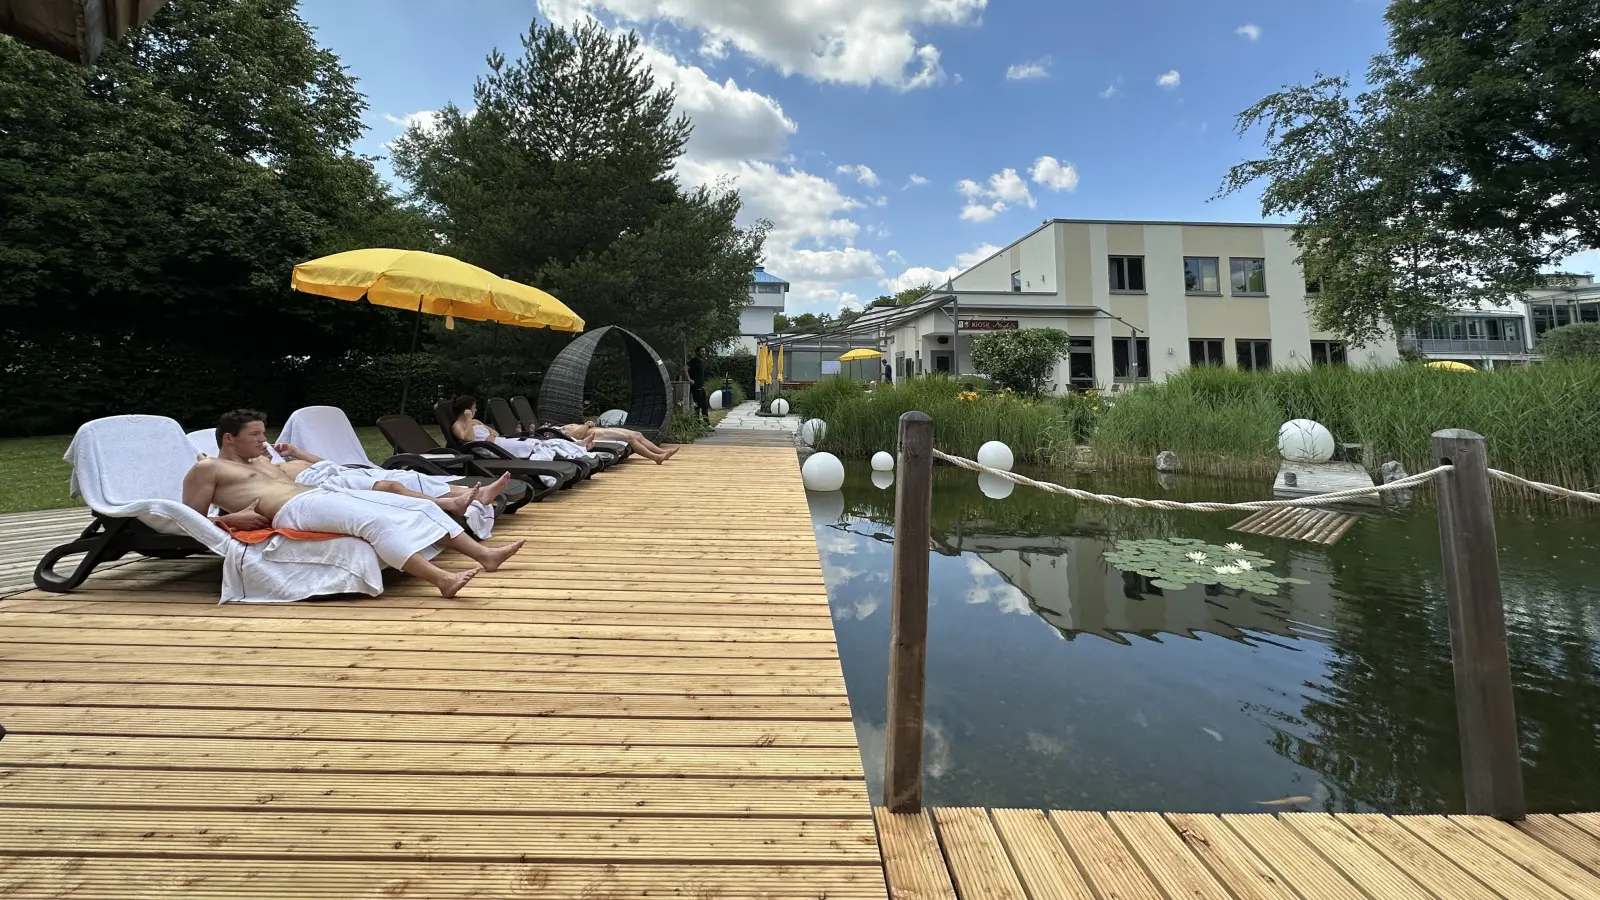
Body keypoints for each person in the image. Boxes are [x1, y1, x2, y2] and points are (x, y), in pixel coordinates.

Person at [185, 416, 524, 599]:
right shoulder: (207, 468)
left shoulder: (259, 461)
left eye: (263, 434)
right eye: (256, 435)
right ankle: (442, 580)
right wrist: (232, 518)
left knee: (414, 507)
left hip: (317, 494)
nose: (264, 441)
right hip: (294, 510)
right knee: (376, 523)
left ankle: (484, 556)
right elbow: (189, 519)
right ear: (229, 438)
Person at [448, 396, 593, 483]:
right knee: (538, 445)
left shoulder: (476, 421)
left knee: (542, 442)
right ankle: (576, 449)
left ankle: (578, 446)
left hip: (499, 443)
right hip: (494, 450)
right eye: (473, 408)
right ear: (465, 410)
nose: (475, 411)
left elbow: (494, 432)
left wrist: (490, 436)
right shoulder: (458, 425)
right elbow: (468, 439)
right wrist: (468, 422)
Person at [557, 420, 677, 465]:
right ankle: (655, 457)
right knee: (630, 438)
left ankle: (662, 452)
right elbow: (579, 435)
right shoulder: (563, 430)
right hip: (598, 435)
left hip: (600, 430)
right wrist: (587, 424)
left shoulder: (563, 426)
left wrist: (588, 424)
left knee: (637, 434)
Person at [685, 345, 710, 422]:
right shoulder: (694, 361)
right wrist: (689, 379)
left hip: (701, 387)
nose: (703, 353)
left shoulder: (701, 361)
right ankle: (703, 424)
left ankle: (701, 423)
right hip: (696, 388)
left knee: (703, 406)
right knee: (700, 406)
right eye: (702, 351)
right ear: (697, 352)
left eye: (704, 351)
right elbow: (685, 368)